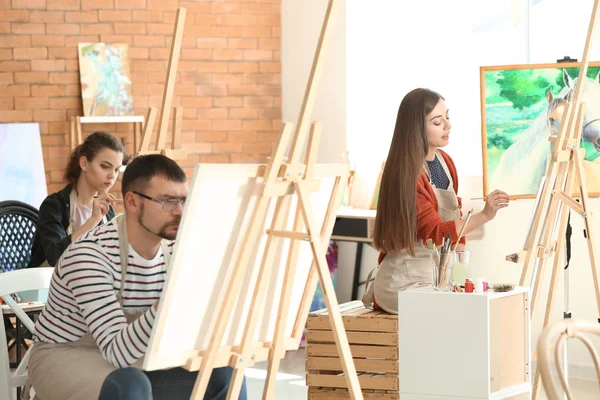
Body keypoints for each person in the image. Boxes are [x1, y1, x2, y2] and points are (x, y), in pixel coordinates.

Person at [27, 154, 247, 400]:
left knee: (222, 373)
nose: (180, 212)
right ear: (132, 202)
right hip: (66, 355)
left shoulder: (175, 249)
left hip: (134, 353)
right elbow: (117, 352)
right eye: (167, 201)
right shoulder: (90, 256)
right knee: (129, 385)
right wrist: (175, 296)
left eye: (183, 201)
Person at [362, 88, 510, 314]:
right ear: (416, 128)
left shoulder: (445, 162)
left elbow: (454, 220)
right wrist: (484, 215)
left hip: (436, 278)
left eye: (447, 118)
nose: (448, 126)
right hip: (403, 283)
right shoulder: (407, 173)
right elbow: (436, 231)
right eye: (438, 122)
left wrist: (459, 274)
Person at [28, 131, 126, 267]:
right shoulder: (54, 205)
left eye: (116, 170)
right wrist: (93, 220)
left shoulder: (107, 211)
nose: (112, 176)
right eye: (105, 166)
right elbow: (55, 257)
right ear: (84, 163)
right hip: (47, 284)